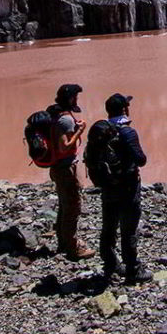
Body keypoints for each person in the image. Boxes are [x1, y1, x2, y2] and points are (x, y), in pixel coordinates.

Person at [91, 93, 152, 285]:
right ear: (125, 109)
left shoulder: (101, 131)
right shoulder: (127, 132)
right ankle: (132, 269)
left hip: (108, 186)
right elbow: (141, 160)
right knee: (128, 230)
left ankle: (110, 265)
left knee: (108, 227)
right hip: (128, 187)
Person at [47, 83, 95, 260]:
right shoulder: (65, 119)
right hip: (65, 168)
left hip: (57, 167)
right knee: (73, 207)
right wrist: (80, 130)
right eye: (75, 97)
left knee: (64, 204)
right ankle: (73, 248)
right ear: (70, 98)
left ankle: (63, 242)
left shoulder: (54, 113)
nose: (77, 100)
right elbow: (64, 145)